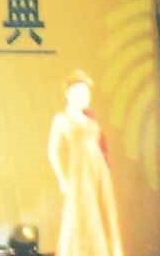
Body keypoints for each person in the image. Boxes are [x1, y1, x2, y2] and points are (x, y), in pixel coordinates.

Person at [47, 71, 123, 256]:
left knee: (102, 212)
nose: (85, 96)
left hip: (99, 171)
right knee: (83, 215)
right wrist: (62, 179)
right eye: (81, 92)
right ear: (69, 93)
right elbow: (53, 151)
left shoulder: (90, 119)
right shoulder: (62, 119)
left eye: (87, 92)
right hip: (80, 173)